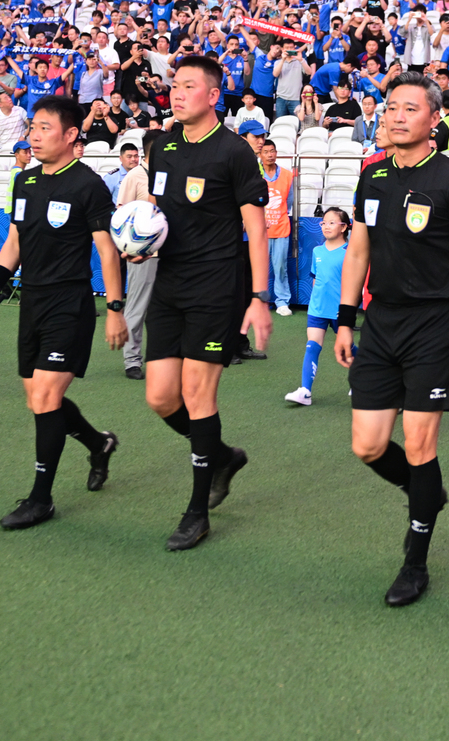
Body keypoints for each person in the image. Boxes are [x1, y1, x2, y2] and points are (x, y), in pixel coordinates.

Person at [335, 70, 449, 608]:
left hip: (434, 329)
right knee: (367, 445)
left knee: (422, 445)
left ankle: (415, 561)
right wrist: (345, 318)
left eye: (408, 109)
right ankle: (427, 493)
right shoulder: (372, 177)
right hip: (380, 327)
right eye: (390, 107)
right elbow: (358, 252)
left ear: (433, 119)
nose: (395, 116)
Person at [133, 56, 271, 551]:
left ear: (214, 95)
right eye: (175, 84)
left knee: (197, 395)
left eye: (189, 86)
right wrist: (140, 238)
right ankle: (222, 456)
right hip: (167, 285)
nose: (177, 92)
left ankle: (196, 513)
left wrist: (259, 297)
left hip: (217, 287)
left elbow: (256, 232)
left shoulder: (235, 152)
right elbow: (160, 212)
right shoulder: (164, 146)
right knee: (160, 398)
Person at [0, 95, 127, 531]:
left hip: (70, 304)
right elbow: (16, 240)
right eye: (33, 128)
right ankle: (98, 443)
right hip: (32, 302)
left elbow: (106, 250)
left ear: (71, 135)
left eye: (44, 128)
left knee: (45, 398)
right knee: (40, 399)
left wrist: (114, 309)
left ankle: (41, 499)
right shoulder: (25, 181)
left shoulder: (88, 185)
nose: (34, 136)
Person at [286, 208, 350, 406]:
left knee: (348, 349)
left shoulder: (350, 253)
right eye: (324, 222)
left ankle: (362, 379)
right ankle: (305, 391)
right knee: (312, 346)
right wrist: (315, 302)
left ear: (344, 227)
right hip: (317, 309)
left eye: (332, 222)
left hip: (340, 310)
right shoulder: (317, 251)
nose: (326, 226)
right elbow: (316, 280)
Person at [119, 130, 163, 380]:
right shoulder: (134, 176)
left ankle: (162, 357)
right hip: (143, 253)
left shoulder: (167, 173)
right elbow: (121, 216)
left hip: (169, 252)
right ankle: (132, 360)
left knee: (165, 308)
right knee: (137, 306)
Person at [261, 140, 295, 316]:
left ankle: (282, 301)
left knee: (280, 266)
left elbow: (288, 202)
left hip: (281, 227)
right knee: (259, 267)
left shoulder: (288, 175)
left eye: (272, 151)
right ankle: (260, 301)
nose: (270, 155)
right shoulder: (253, 174)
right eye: (266, 151)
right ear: (260, 154)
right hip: (259, 230)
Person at [6, 140, 32, 208]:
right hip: (16, 210)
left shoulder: (15, 171)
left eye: (30, 152)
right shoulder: (19, 173)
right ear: (17, 155)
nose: (29, 155)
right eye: (25, 152)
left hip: (12, 209)